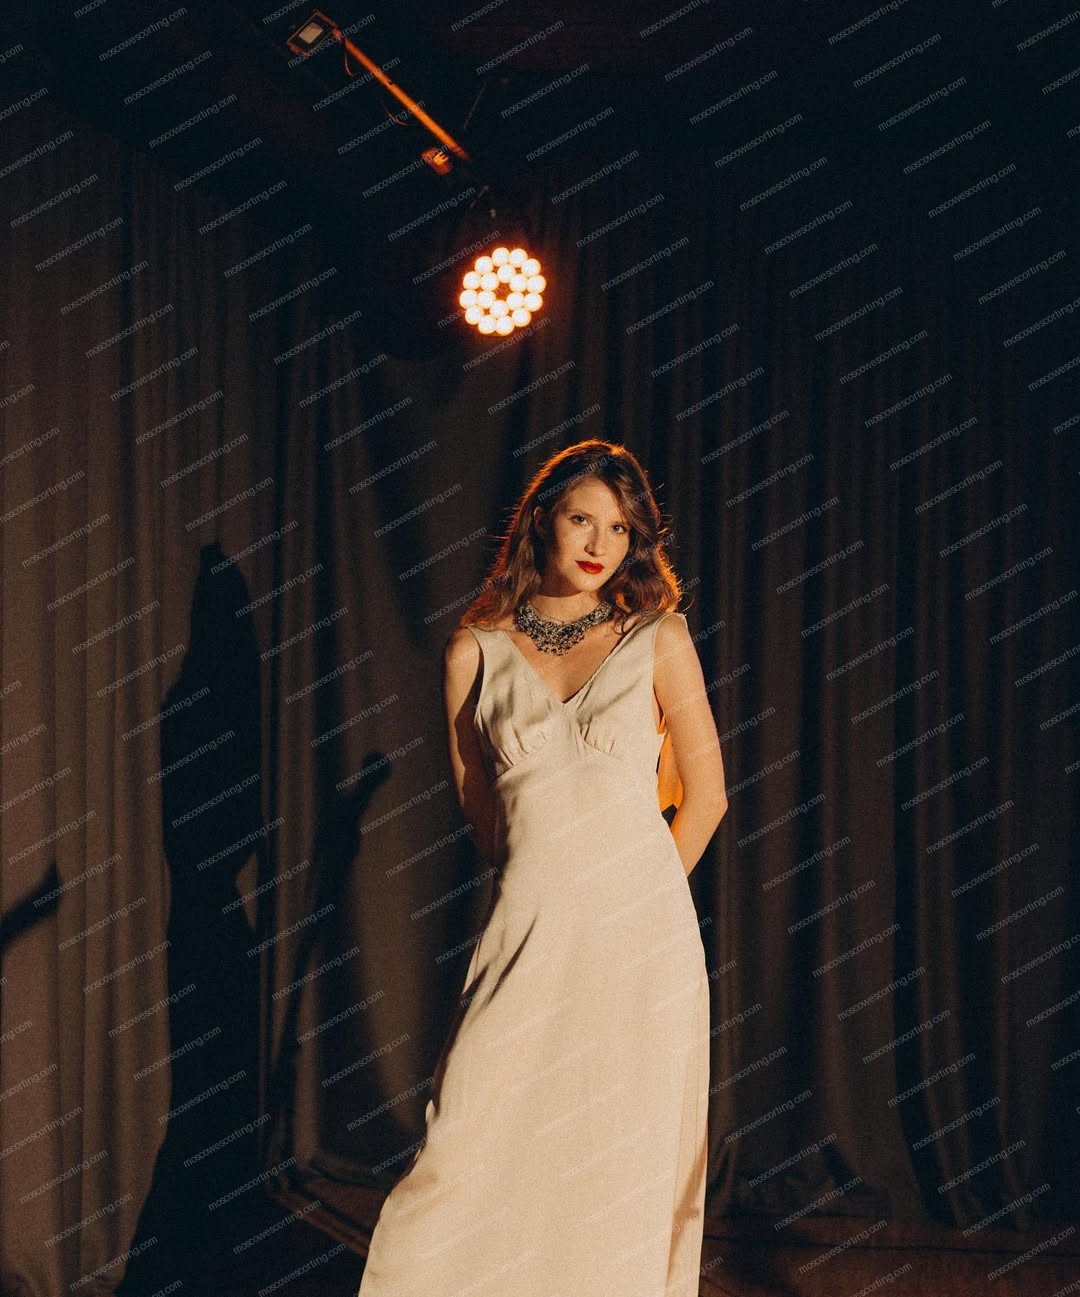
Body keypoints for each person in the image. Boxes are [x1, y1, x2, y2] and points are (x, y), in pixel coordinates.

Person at [357, 439, 727, 1297]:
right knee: (464, 1144)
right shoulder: (473, 652)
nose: (600, 542)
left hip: (642, 940)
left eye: (620, 528)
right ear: (541, 519)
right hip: (528, 933)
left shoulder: (660, 637)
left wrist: (632, 904)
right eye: (582, 518)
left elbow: (706, 796)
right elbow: (486, 818)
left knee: (616, 1162)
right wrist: (553, 885)